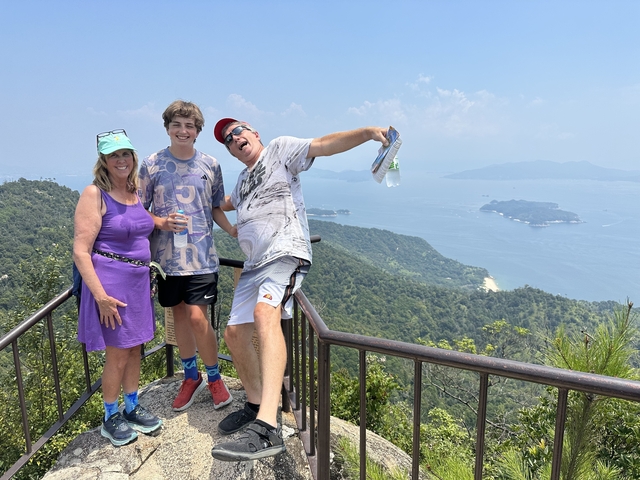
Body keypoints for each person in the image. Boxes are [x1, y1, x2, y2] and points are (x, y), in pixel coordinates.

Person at [210, 118, 388, 461]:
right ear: (231, 152)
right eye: (228, 141)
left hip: (284, 252)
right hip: (253, 265)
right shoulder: (244, 179)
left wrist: (367, 134)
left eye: (238, 131)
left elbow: (322, 144)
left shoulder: (279, 150)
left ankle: (267, 428)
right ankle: (256, 403)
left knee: (266, 314)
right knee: (234, 334)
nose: (235, 139)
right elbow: (224, 201)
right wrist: (220, 217)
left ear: (254, 134)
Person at [138, 100, 237, 413]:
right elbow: (139, 211)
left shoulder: (210, 164)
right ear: (168, 128)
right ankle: (190, 376)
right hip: (166, 259)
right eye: (177, 125)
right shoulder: (151, 164)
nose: (183, 130)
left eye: (189, 126)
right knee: (179, 314)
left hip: (202, 255)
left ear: (197, 131)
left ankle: (214, 377)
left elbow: (216, 205)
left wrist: (233, 231)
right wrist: (162, 222)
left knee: (197, 316)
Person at [74, 130, 162, 447]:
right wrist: (100, 297)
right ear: (104, 161)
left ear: (133, 157)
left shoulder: (133, 192)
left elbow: (141, 227)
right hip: (111, 285)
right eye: (114, 156)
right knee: (118, 354)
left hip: (138, 282)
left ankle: (132, 406)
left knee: (134, 348)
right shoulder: (95, 194)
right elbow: (81, 251)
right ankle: (110, 417)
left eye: (125, 154)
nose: (121, 160)